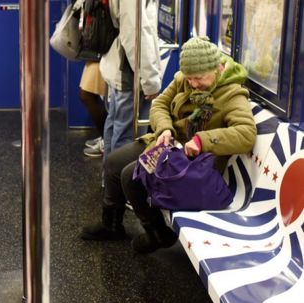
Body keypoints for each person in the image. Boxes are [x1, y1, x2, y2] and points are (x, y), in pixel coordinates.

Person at [80, 36, 257, 253]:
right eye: (189, 79)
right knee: (113, 163)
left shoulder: (232, 94)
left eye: (198, 79)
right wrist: (165, 128)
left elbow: (246, 133)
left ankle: (158, 234)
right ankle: (112, 226)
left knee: (130, 176)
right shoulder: (184, 78)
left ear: (218, 67)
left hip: (193, 163)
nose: (192, 84)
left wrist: (203, 141)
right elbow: (160, 104)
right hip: (168, 143)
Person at [98, 0, 162, 159]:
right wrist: (150, 81)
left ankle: (110, 179)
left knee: (114, 127)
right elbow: (135, 34)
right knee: (127, 138)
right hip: (130, 73)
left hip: (121, 65)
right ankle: (120, 181)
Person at [80, 60, 108, 158]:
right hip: (96, 55)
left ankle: (106, 140)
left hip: (104, 54)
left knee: (87, 95)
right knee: (87, 94)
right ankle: (105, 137)